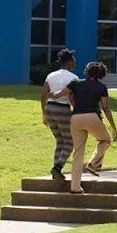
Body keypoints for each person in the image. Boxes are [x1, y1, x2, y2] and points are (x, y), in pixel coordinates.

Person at [60, 61, 117, 194]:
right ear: (102, 74)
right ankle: (93, 164)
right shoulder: (101, 87)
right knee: (105, 140)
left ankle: (75, 187)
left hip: (75, 118)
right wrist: (113, 128)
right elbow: (105, 108)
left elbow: (65, 94)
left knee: (78, 152)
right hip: (92, 117)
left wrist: (53, 96)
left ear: (87, 71)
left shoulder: (76, 83)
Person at [40, 49, 79, 181]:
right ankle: (57, 167)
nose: (75, 62)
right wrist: (77, 112)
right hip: (63, 109)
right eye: (73, 60)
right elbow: (72, 98)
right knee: (70, 142)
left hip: (49, 109)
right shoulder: (73, 78)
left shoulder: (51, 75)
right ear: (69, 62)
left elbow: (44, 95)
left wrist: (44, 114)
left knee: (60, 141)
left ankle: (55, 172)